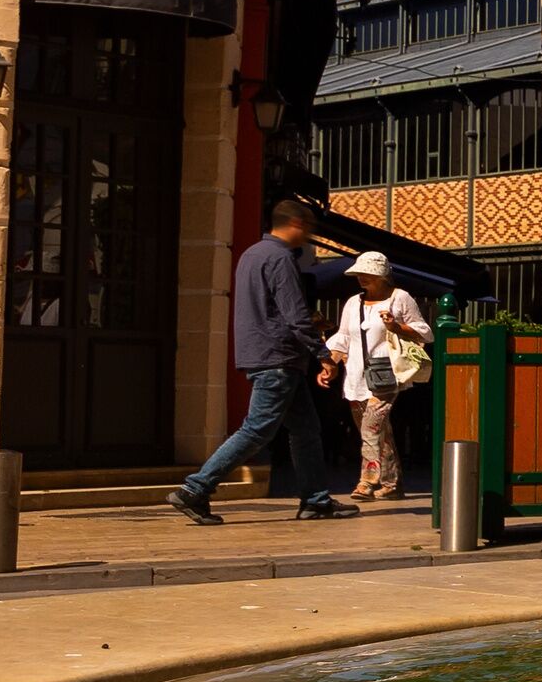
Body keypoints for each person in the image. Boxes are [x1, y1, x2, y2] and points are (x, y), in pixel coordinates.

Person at [169, 199, 357, 524]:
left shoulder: (252, 254)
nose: (308, 236)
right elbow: (294, 313)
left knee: (306, 429)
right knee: (256, 429)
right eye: (309, 228)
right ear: (296, 224)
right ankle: (195, 489)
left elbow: (271, 308)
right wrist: (323, 355)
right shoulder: (280, 257)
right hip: (278, 357)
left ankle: (315, 500)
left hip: (267, 354)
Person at [322, 252, 434, 501]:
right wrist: (331, 363)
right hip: (356, 377)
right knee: (380, 432)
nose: (362, 277)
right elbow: (343, 337)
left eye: (368, 273)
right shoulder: (353, 303)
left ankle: (366, 482)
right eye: (359, 273)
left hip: (387, 375)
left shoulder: (400, 298)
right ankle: (392, 484)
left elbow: (425, 333)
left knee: (370, 428)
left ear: (382, 275)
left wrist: (396, 326)